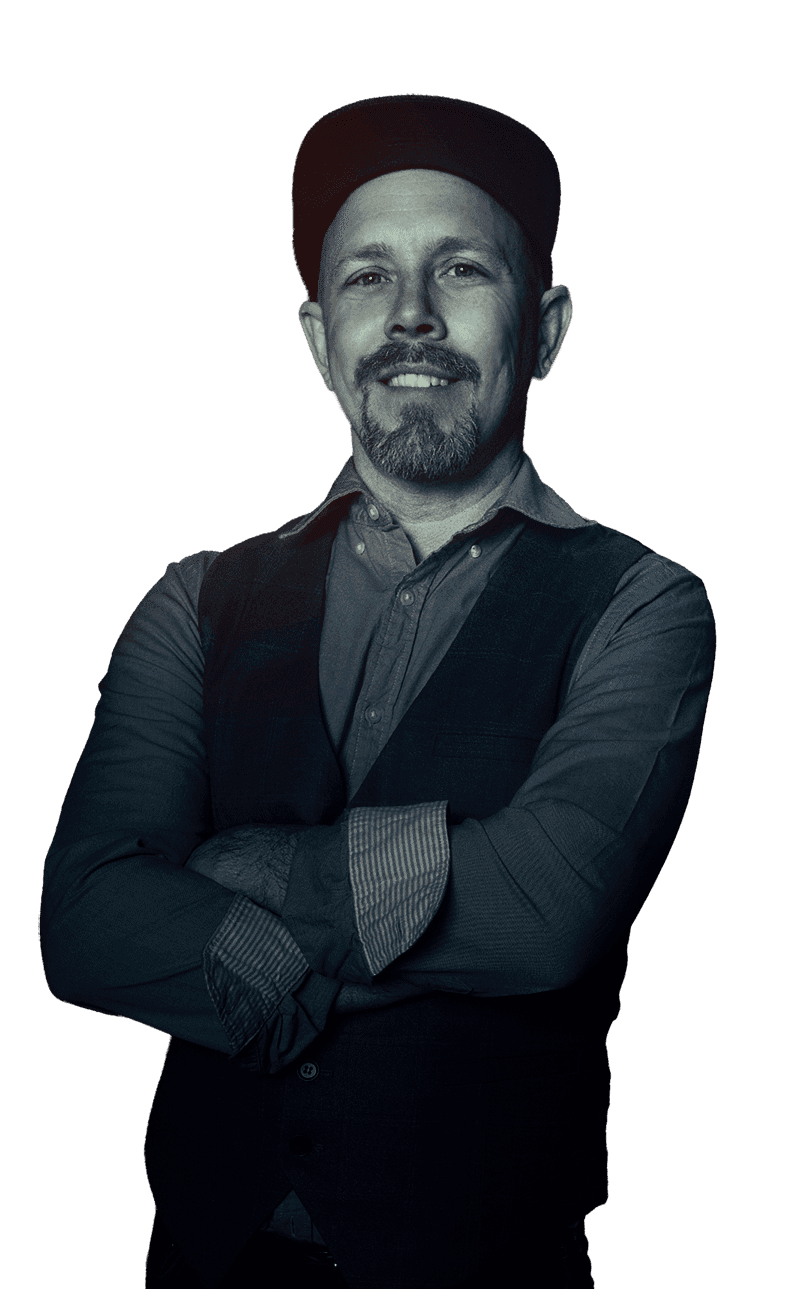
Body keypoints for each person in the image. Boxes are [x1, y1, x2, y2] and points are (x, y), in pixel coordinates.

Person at [40, 94, 716, 1289]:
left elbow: (544, 907)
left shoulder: (642, 601)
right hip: (206, 1257)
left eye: (459, 268)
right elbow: (86, 920)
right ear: (318, 338)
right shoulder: (194, 596)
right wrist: (410, 896)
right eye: (366, 276)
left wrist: (228, 874)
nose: (410, 314)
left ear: (545, 327)